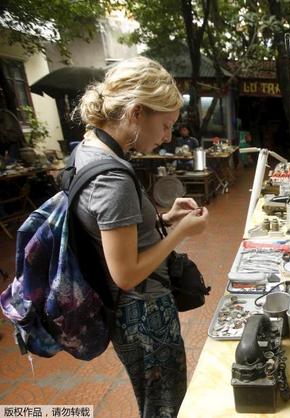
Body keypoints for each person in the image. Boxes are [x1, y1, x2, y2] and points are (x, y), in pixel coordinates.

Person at [74, 57, 209, 417]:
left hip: (129, 309)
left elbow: (112, 232)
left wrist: (163, 219)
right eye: (164, 125)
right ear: (135, 113)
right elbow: (127, 273)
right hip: (143, 313)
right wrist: (181, 232)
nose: (167, 136)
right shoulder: (113, 177)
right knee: (164, 406)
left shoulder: (89, 148)